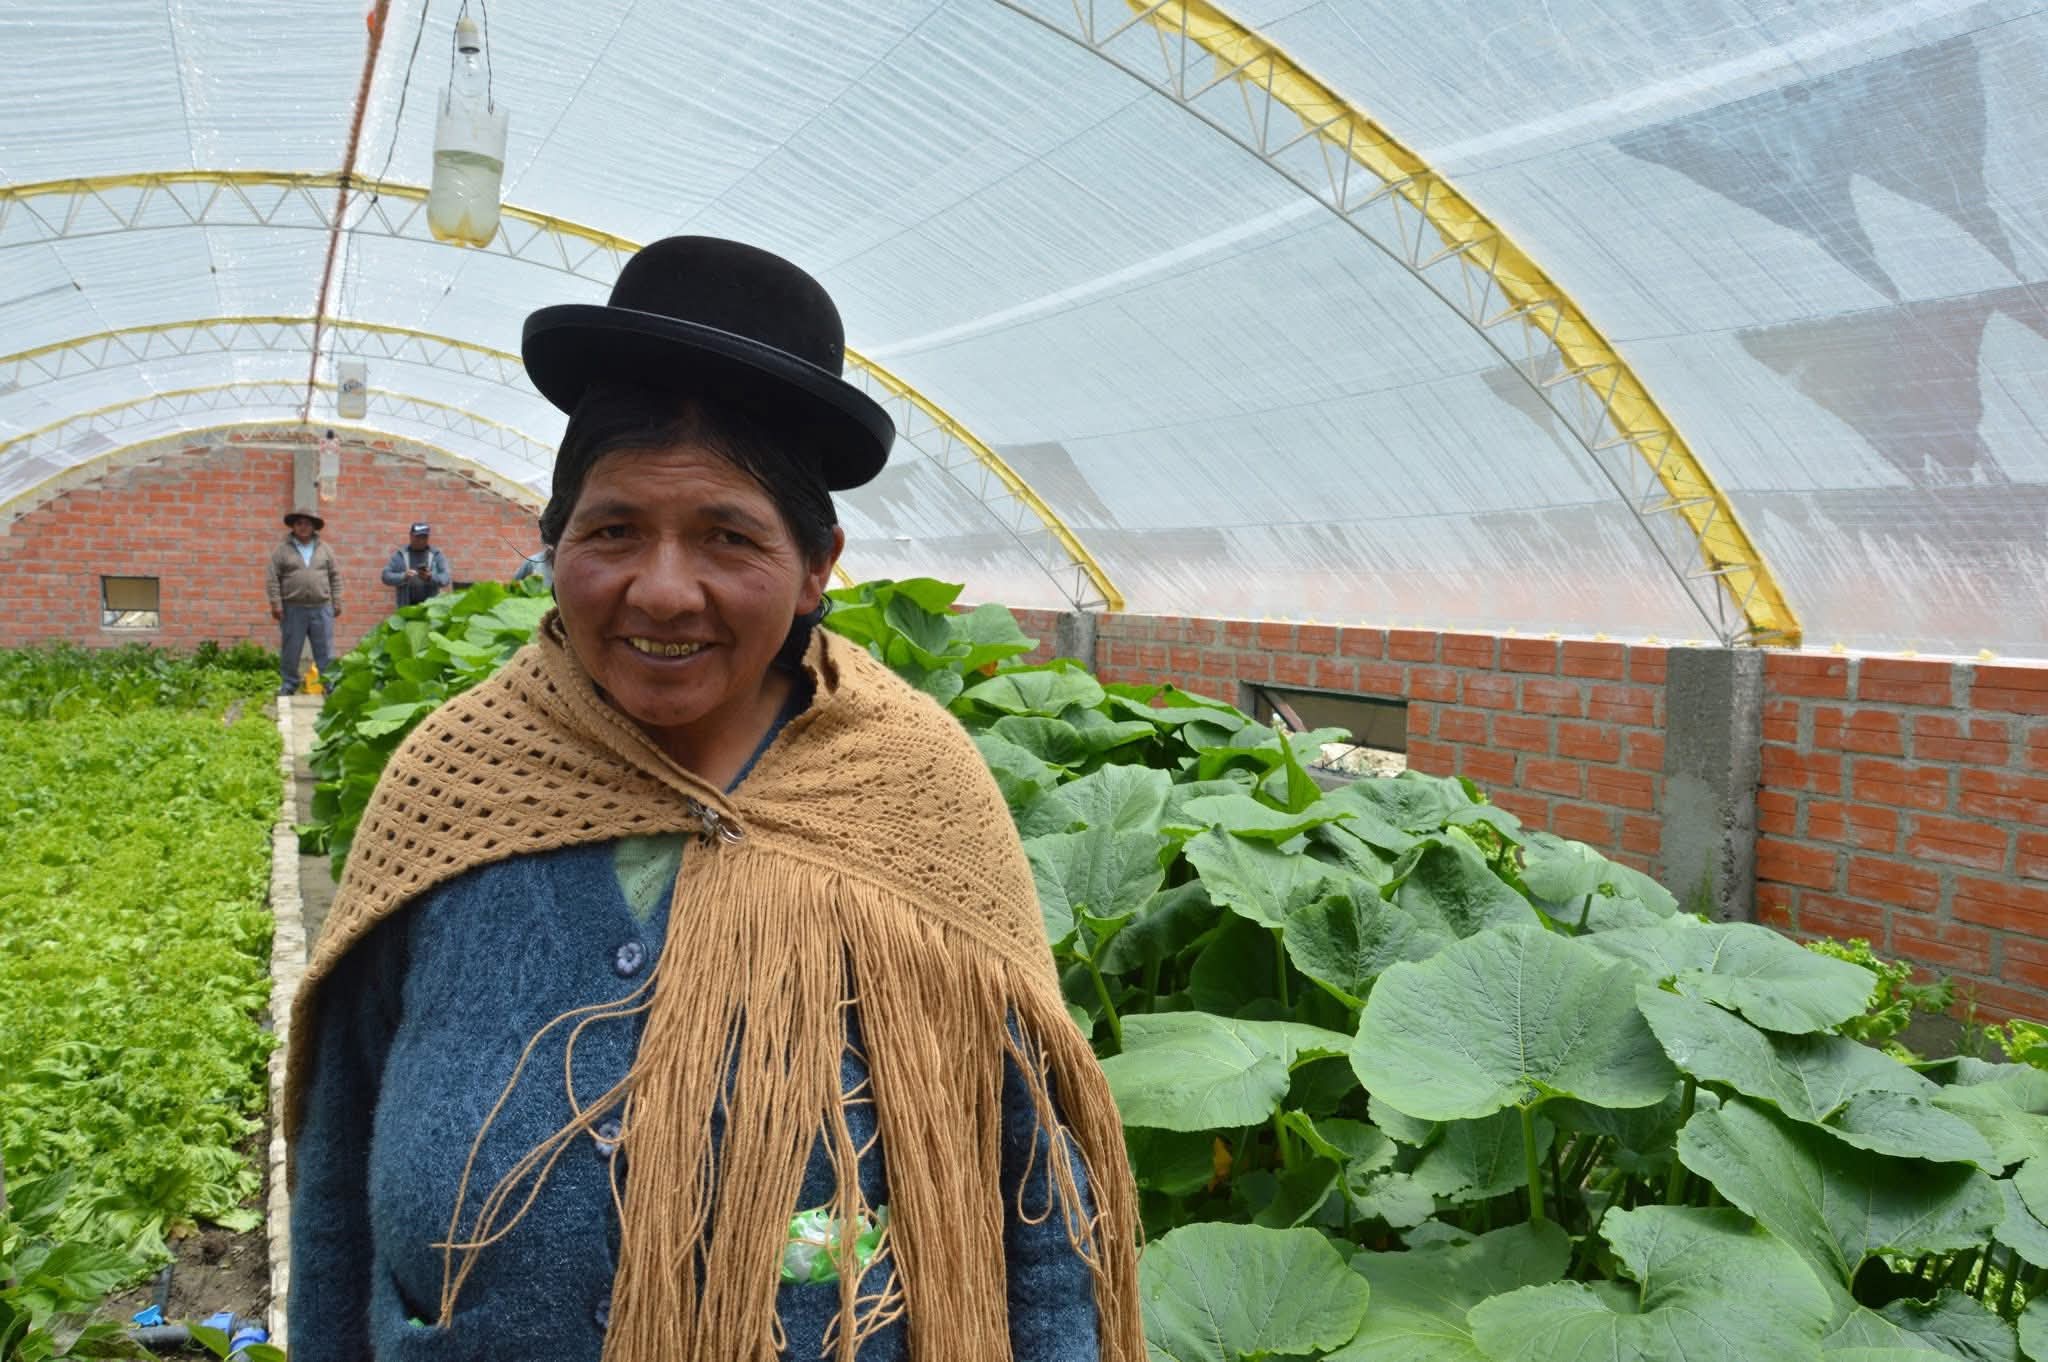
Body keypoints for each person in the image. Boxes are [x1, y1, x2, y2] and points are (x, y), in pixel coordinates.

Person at [284, 237, 1143, 1362]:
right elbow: (335, 1186)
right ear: (554, 546)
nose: (662, 590)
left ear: (816, 566)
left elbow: (1036, 1207)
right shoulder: (455, 779)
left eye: (727, 537)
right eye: (613, 531)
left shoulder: (914, 792)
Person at [266, 507, 342, 695]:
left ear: (314, 527)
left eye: (307, 523)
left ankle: (329, 685)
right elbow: (272, 578)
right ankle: (289, 684)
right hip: (293, 608)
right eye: (299, 523)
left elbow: (335, 576)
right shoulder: (282, 550)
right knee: (291, 650)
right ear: (293, 526)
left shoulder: (325, 549)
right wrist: (276, 604)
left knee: (325, 650)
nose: (303, 527)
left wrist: (337, 601)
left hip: (321, 607)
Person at [380, 522, 452, 607]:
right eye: (418, 537)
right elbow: (385, 576)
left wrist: (430, 577)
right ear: (410, 536)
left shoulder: (436, 555)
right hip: (406, 608)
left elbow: (445, 578)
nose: (421, 541)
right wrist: (404, 576)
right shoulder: (401, 555)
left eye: (424, 537)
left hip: (430, 609)